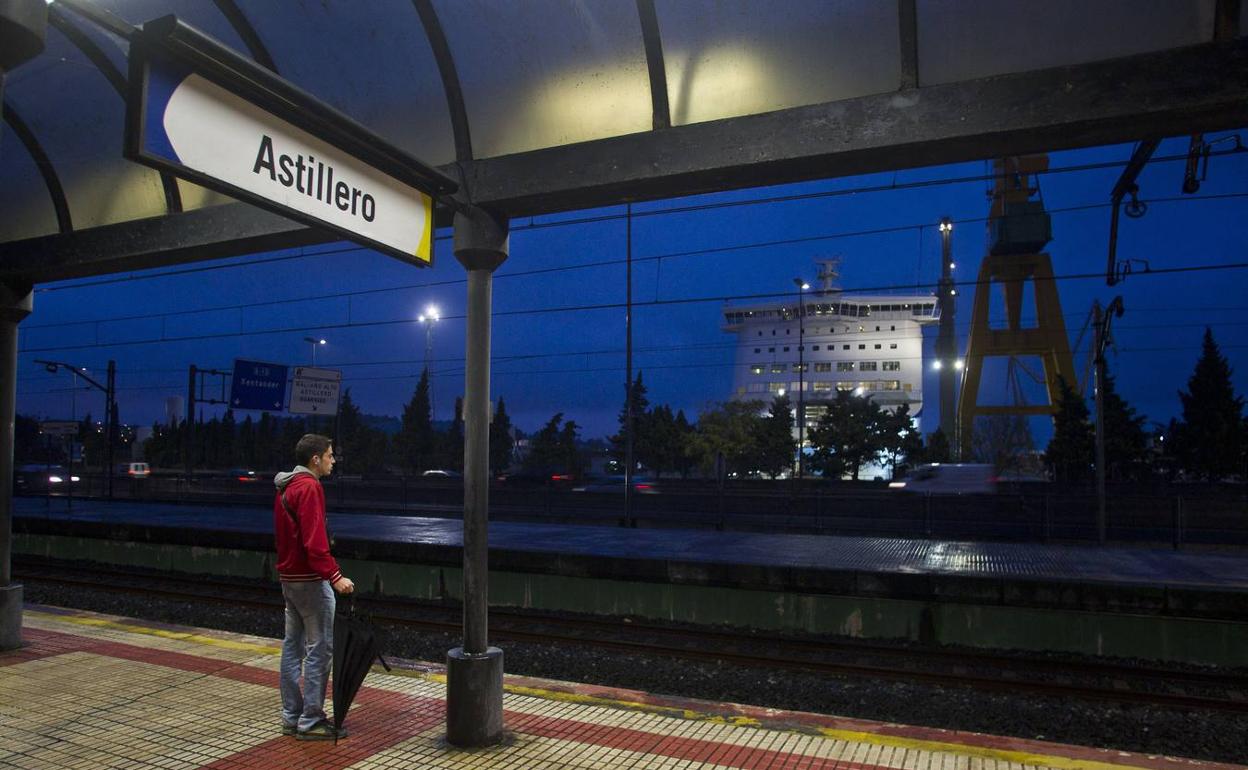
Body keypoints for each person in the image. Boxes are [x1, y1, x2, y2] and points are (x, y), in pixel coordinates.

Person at [274, 433, 354, 741]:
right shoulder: (309, 487)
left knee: (292, 646)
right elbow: (314, 539)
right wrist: (335, 577)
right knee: (320, 649)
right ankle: (311, 721)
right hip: (310, 581)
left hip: (289, 579)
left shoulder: (285, 487)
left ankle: (291, 716)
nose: (333, 461)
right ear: (315, 459)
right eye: (330, 456)